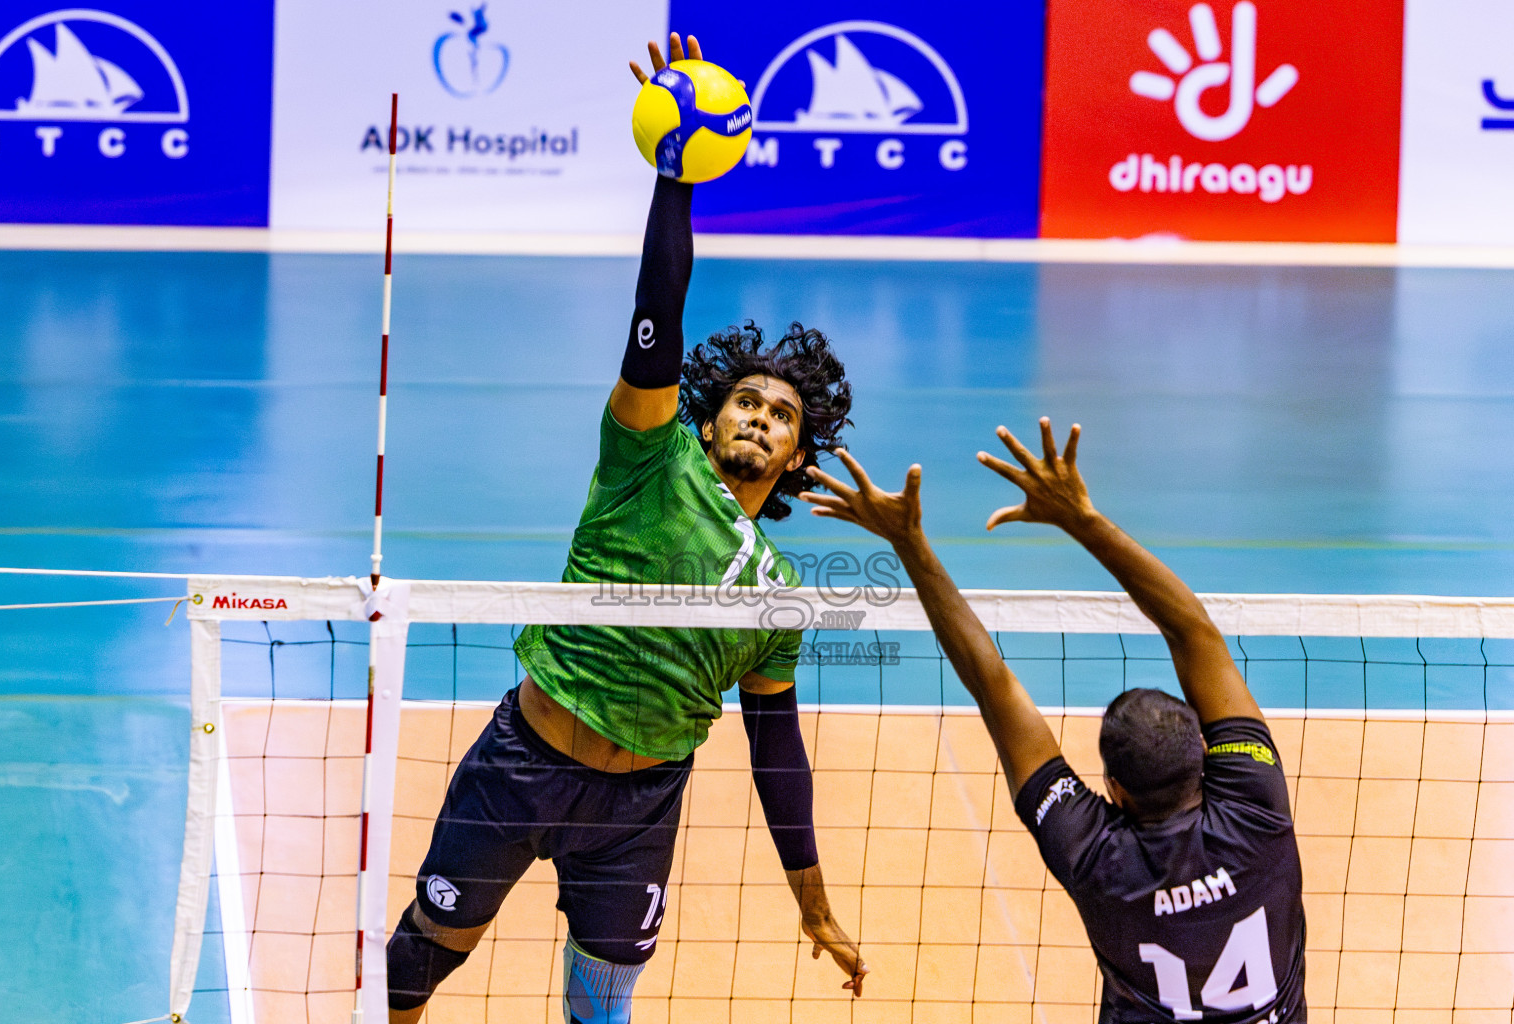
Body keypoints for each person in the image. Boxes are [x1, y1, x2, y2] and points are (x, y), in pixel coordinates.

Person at [385, 33, 867, 1024]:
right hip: (524, 763)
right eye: (744, 400)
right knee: (419, 963)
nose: (758, 415)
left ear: (793, 462)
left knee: (600, 1011)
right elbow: (658, 310)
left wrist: (812, 900)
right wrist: (675, 178)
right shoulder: (649, 457)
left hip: (642, 807)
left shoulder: (777, 588)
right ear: (706, 413)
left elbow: (779, 750)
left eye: (780, 416)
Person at [801, 419, 1305, 1024]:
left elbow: (994, 687)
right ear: (1205, 750)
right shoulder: (1257, 810)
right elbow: (1193, 630)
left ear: (1113, 790)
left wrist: (909, 542)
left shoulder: (1098, 857)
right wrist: (1082, 517)